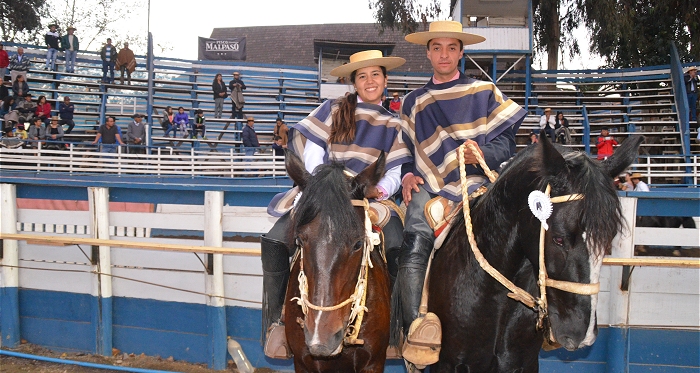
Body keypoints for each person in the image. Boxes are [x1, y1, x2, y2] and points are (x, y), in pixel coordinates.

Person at [262, 49, 410, 358]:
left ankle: (396, 328)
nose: (370, 81)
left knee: (398, 244)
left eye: (375, 75)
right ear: (354, 81)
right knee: (275, 240)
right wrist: (320, 189)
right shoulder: (333, 108)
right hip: (325, 191)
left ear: (385, 79)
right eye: (362, 76)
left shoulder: (395, 124)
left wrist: (378, 193)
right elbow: (314, 152)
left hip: (365, 196)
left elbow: (395, 171)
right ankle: (278, 321)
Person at [399, 20, 526, 366]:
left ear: (461, 52)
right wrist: (408, 174)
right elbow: (405, 152)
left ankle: (539, 318)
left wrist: (483, 154)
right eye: (437, 48)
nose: (444, 54)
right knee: (416, 235)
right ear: (427, 52)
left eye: (451, 48)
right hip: (431, 185)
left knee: (524, 231)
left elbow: (506, 141)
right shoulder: (414, 102)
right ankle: (414, 331)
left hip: (479, 183)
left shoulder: (484, 90)